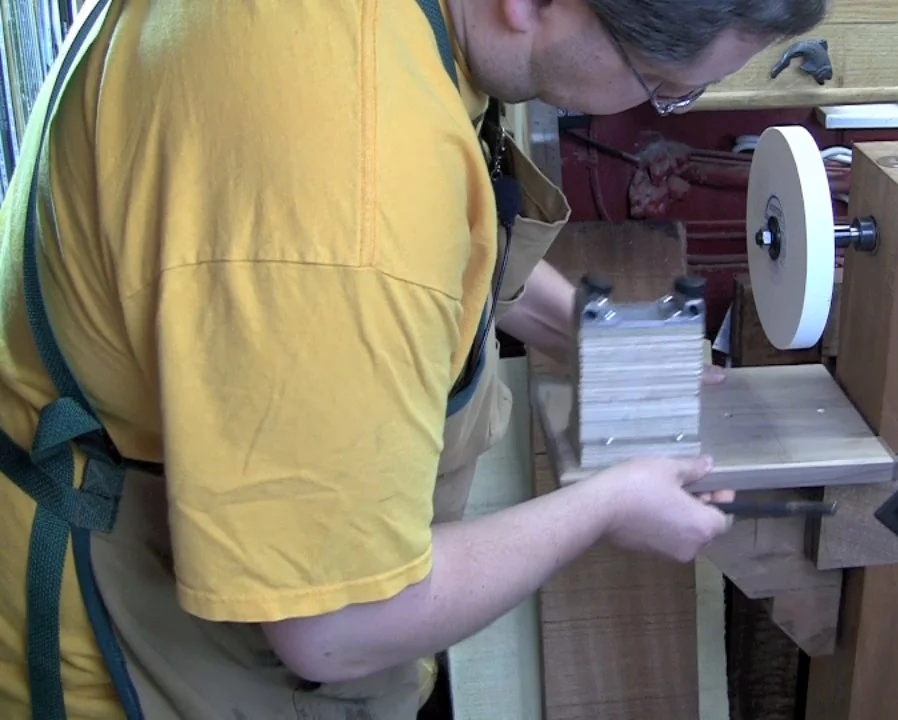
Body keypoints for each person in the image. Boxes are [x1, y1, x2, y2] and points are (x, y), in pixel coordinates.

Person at [0, 0, 826, 717]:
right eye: (665, 86)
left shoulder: (409, 38)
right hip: (117, 654)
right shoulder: (342, 195)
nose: (669, 107)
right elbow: (336, 628)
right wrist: (609, 505)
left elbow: (447, 227)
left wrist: (596, 335)